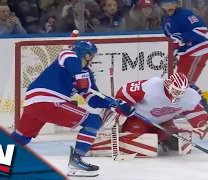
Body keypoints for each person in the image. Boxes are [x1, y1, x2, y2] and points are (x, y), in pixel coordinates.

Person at [10, 40, 135, 177]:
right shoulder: (67, 55)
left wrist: (114, 105)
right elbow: (70, 59)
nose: (93, 59)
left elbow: (92, 99)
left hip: (34, 104)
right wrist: (80, 77)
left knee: (22, 136)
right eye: (92, 56)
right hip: (49, 101)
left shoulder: (86, 74)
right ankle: (77, 162)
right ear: (87, 55)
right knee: (93, 121)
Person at [115, 72, 208, 151]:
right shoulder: (151, 87)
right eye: (176, 91)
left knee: (176, 143)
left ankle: (161, 139)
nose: (178, 95)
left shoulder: (190, 95)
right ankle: (129, 136)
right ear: (168, 85)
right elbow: (123, 93)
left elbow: (197, 115)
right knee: (137, 143)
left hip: (163, 123)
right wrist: (122, 107)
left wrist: (207, 126)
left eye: (181, 92)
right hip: (138, 120)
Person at [160, 0, 208, 116]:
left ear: (177, 4)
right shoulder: (165, 21)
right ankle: (187, 108)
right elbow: (173, 41)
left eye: (171, 3)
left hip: (197, 49)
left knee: (185, 83)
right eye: (165, 4)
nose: (168, 6)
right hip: (186, 53)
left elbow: (202, 29)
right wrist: (174, 53)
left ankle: (203, 108)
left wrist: (183, 38)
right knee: (179, 82)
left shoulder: (186, 14)